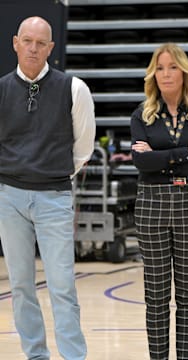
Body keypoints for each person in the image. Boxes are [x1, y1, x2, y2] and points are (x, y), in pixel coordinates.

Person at [0, 16, 96, 359]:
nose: (33, 48)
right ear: (15, 42)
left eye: (41, 43)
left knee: (62, 287)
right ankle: (35, 355)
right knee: (22, 287)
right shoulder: (1, 89)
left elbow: (83, 148)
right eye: (27, 41)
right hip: (8, 198)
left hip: (54, 197)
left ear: (51, 48)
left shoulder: (74, 88)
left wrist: (51, 173)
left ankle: (73, 356)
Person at [130, 42, 188, 360]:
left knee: (187, 294)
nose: (166, 73)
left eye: (172, 66)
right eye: (160, 67)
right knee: (155, 294)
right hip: (151, 204)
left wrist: (159, 157)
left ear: (184, 72)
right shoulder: (142, 115)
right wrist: (183, 153)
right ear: (153, 74)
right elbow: (141, 164)